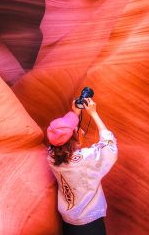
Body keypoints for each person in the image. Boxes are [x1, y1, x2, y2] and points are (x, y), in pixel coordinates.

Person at [46, 97, 118, 235]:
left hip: (68, 221)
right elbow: (110, 146)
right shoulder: (84, 159)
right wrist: (94, 113)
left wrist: (75, 113)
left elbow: (60, 141)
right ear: (75, 136)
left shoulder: (51, 156)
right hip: (89, 224)